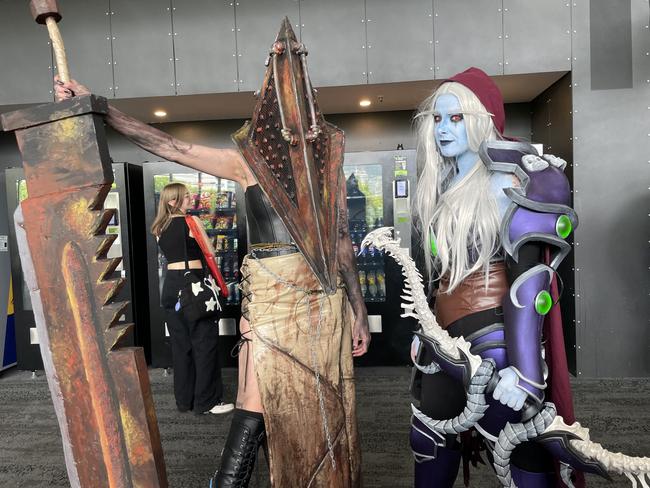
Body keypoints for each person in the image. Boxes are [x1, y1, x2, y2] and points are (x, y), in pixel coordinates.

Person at [55, 65, 370, 486]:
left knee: (316, 401)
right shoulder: (247, 165)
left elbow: (342, 243)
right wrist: (101, 108)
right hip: (273, 294)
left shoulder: (325, 169)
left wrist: (358, 311)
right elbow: (169, 146)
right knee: (254, 397)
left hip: (322, 300)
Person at [409, 67, 578, 487]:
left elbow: (530, 280)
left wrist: (524, 373)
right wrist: (426, 327)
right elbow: (442, 278)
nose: (444, 130)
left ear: (481, 119)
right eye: (437, 119)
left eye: (456, 118)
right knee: (429, 446)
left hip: (497, 347)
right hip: (444, 348)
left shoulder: (510, 184)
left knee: (524, 464)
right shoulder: (443, 189)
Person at [151, 182, 234, 415]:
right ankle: (207, 402)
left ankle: (184, 401)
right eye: (185, 197)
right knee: (204, 343)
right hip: (194, 286)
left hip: (171, 286)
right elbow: (210, 250)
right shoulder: (191, 222)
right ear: (172, 201)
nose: (190, 200)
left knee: (181, 346)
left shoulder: (158, 227)